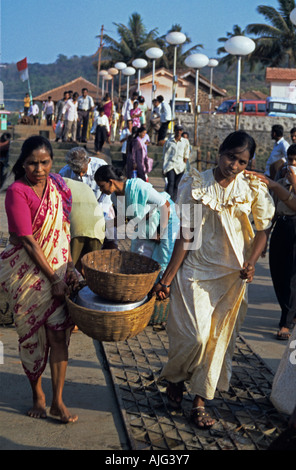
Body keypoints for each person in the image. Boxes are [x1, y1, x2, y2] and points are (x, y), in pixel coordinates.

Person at [153, 131, 275, 429]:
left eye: (242, 161)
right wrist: (166, 279)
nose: (234, 165)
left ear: (250, 163)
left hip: (233, 278)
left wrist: (251, 261)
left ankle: (199, 400)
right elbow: (185, 234)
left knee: (218, 341)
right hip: (195, 271)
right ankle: (175, 379)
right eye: (231, 157)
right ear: (219, 152)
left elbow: (263, 228)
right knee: (193, 336)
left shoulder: (253, 187)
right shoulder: (194, 183)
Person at [0, 135, 79, 423]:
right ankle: (38, 394)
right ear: (23, 164)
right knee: (31, 338)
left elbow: (63, 230)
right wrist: (53, 279)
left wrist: (69, 266)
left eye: (45, 162)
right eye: (32, 163)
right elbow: (28, 240)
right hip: (28, 277)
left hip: (58, 271)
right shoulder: (17, 192)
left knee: (60, 337)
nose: (39, 168)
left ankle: (57, 400)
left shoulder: (58, 187)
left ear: (52, 162)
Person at [94, 165, 180, 279]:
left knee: (163, 257)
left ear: (110, 182)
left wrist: (160, 232)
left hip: (166, 219)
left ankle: (163, 287)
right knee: (139, 256)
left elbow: (165, 205)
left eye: (102, 186)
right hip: (148, 224)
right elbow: (121, 220)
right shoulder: (115, 197)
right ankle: (147, 287)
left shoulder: (138, 186)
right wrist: (100, 226)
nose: (101, 190)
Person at [248, 154, 296, 340]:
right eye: (289, 160)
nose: (291, 164)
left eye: (295, 161)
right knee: (278, 273)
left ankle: (286, 321)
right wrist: (264, 240)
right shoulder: (281, 181)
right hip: (281, 226)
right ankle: (288, 311)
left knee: (292, 275)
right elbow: (272, 210)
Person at [59, 147, 116, 246]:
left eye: (83, 171)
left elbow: (106, 197)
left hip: (102, 205)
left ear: (89, 161)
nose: (80, 174)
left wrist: (100, 218)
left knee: (109, 236)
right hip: (78, 211)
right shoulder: (64, 173)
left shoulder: (101, 166)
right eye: (77, 172)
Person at [61, 177, 105, 273]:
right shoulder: (84, 186)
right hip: (97, 224)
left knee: (69, 267)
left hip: (77, 223)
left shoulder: (51, 182)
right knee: (92, 267)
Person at [162, 124, 190, 201]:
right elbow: (165, 154)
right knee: (170, 183)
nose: (179, 132)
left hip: (180, 166)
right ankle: (169, 200)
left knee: (177, 185)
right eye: (177, 130)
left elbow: (186, 154)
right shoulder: (169, 141)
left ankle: (174, 200)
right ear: (175, 131)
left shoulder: (185, 142)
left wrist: (184, 165)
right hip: (170, 165)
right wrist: (163, 166)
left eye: (180, 130)